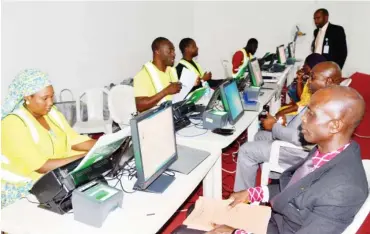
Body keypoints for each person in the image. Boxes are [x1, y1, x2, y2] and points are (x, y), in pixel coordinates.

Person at [173, 85, 368, 234]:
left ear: (334, 126)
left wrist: (235, 232)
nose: (304, 119)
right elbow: (295, 187)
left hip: (280, 228)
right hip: (277, 221)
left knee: (182, 231)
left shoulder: (344, 189)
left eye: (311, 114)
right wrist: (252, 193)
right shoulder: (327, 150)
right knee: (197, 211)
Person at [234, 61, 345, 192]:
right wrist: (287, 119)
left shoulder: (324, 106)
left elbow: (299, 138)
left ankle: (242, 198)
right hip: (301, 143)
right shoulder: (329, 98)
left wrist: (274, 126)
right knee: (259, 136)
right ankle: (276, 181)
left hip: (300, 152)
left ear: (328, 81)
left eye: (313, 77)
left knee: (246, 151)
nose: (308, 81)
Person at [1, 69, 97, 208]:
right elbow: (41, 166)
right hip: (29, 186)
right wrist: (84, 158)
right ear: (28, 98)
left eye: (52, 96)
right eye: (45, 98)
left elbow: (72, 139)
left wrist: (104, 144)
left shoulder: (51, 114)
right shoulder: (13, 124)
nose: (51, 102)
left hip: (56, 173)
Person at [134, 37, 182, 112]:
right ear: (157, 51)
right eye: (170, 51)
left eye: (174, 51)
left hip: (175, 114)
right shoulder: (143, 75)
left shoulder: (171, 70)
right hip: (156, 119)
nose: (174, 54)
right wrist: (166, 91)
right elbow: (139, 106)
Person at [276, 53, 327, 119]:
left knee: (278, 112)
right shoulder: (310, 79)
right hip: (301, 108)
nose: (303, 66)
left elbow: (303, 106)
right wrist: (299, 79)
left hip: (302, 113)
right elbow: (302, 97)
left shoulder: (316, 83)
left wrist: (280, 113)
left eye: (305, 64)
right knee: (281, 108)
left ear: (312, 66)